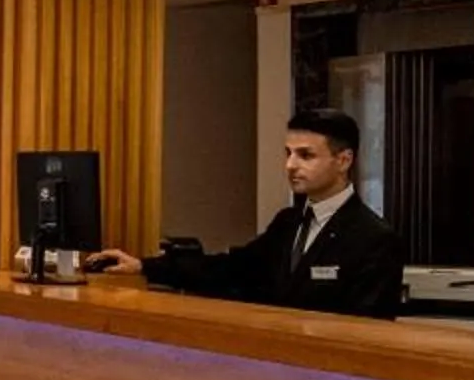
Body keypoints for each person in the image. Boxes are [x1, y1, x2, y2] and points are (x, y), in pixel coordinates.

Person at [85, 107, 405, 319]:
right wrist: (145, 266)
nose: (290, 165)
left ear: (344, 160)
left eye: (306, 155)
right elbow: (234, 269)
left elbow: (369, 328)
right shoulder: (289, 222)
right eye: (288, 153)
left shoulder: (374, 238)